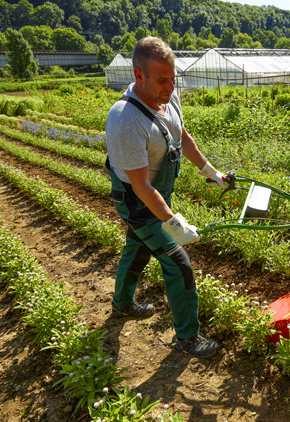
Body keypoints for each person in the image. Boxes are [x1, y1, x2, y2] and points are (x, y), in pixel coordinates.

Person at [105, 37, 226, 359]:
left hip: (156, 195)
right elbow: (142, 186)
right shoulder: (125, 120)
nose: (170, 87)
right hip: (135, 200)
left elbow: (181, 136)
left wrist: (210, 171)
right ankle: (188, 338)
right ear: (138, 75)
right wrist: (174, 223)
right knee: (178, 263)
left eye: (174, 79)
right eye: (162, 80)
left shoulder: (168, 95)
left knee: (139, 248)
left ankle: (121, 305)